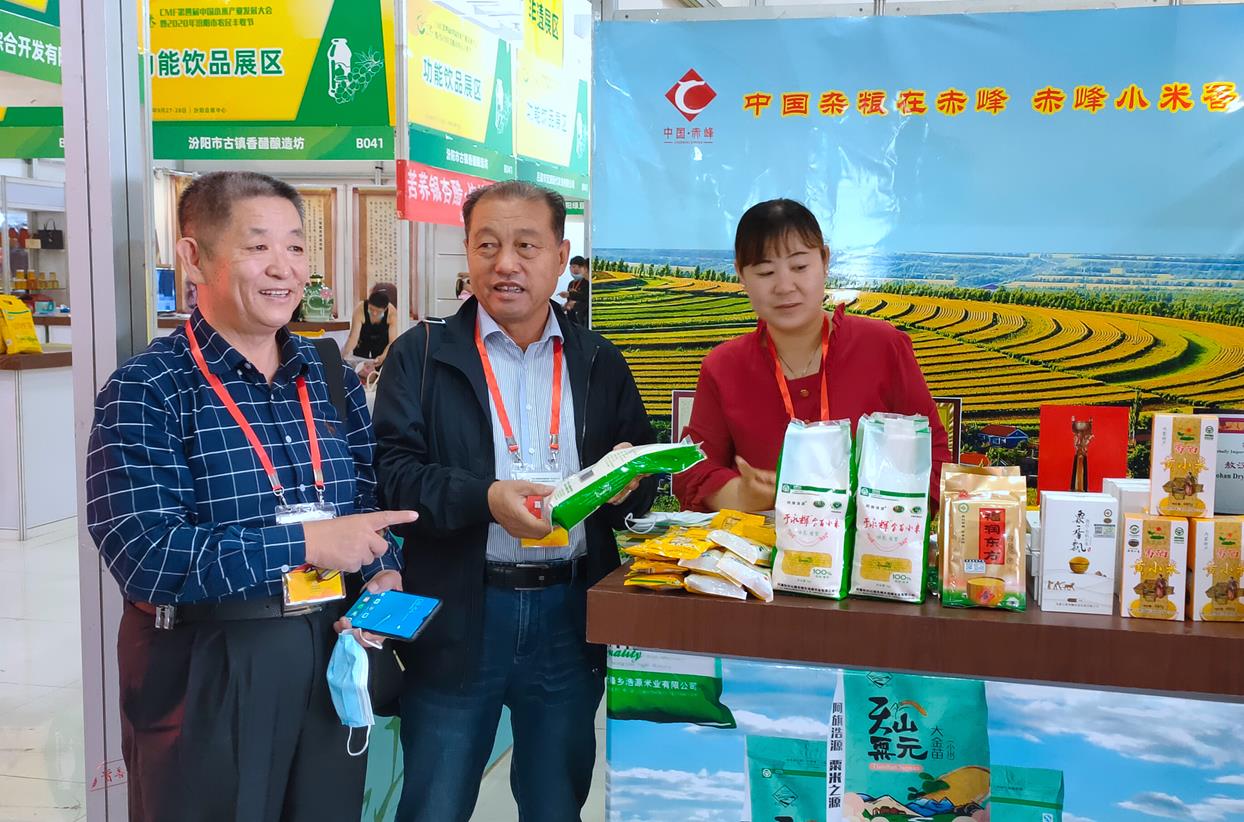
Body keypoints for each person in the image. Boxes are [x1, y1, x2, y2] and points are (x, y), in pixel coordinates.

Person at [85, 171, 417, 822]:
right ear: (193, 257)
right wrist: (305, 543)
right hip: (208, 664)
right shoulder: (149, 388)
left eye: (295, 247)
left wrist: (384, 572)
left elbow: (366, 497)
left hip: (330, 649)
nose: (283, 268)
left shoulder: (329, 376)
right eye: (257, 246)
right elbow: (147, 556)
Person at [372, 181, 657, 822]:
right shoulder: (421, 355)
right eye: (487, 246)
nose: (506, 263)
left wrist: (630, 483)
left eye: (526, 246)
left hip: (568, 615)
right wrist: (485, 498)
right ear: (467, 253)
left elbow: (636, 469)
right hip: (456, 613)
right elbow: (392, 475)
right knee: (434, 803)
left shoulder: (598, 359)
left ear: (560, 256)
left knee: (555, 803)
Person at [674, 198, 950, 512]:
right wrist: (742, 495)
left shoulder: (883, 346)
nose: (784, 286)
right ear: (741, 274)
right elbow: (693, 471)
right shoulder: (723, 367)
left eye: (800, 267)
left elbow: (933, 461)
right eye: (765, 272)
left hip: (872, 537)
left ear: (824, 260)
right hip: (763, 541)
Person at [342, 285, 399, 365]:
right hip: (363, 340)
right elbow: (353, 337)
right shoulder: (360, 309)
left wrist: (383, 357)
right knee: (360, 366)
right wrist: (343, 355)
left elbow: (392, 341)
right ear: (368, 304)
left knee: (381, 363)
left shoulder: (392, 313)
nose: (374, 313)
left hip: (382, 341)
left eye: (378, 311)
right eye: (371, 309)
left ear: (385, 309)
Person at [558, 255, 590, 325]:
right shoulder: (571, 284)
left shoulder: (587, 282)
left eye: (579, 267)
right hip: (572, 318)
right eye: (572, 267)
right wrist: (565, 306)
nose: (575, 269)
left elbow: (586, 298)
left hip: (584, 318)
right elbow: (570, 301)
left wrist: (571, 295)